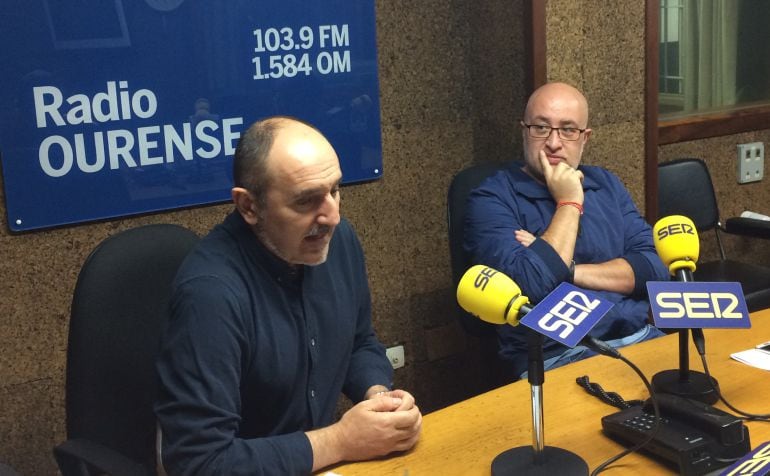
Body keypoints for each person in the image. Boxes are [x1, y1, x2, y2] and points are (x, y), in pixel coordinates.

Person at [155, 116, 422, 475]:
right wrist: (341, 440)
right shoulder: (210, 295)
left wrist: (378, 395)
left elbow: (358, 342)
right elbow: (201, 462)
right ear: (249, 206)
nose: (332, 216)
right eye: (306, 201)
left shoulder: (337, 243)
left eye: (335, 190)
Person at [464, 82, 669, 379]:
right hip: (555, 356)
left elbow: (655, 268)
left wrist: (569, 271)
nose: (554, 143)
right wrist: (569, 202)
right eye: (541, 128)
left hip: (637, 337)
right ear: (524, 131)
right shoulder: (491, 198)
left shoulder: (606, 184)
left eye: (568, 130)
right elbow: (532, 286)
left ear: (585, 138)